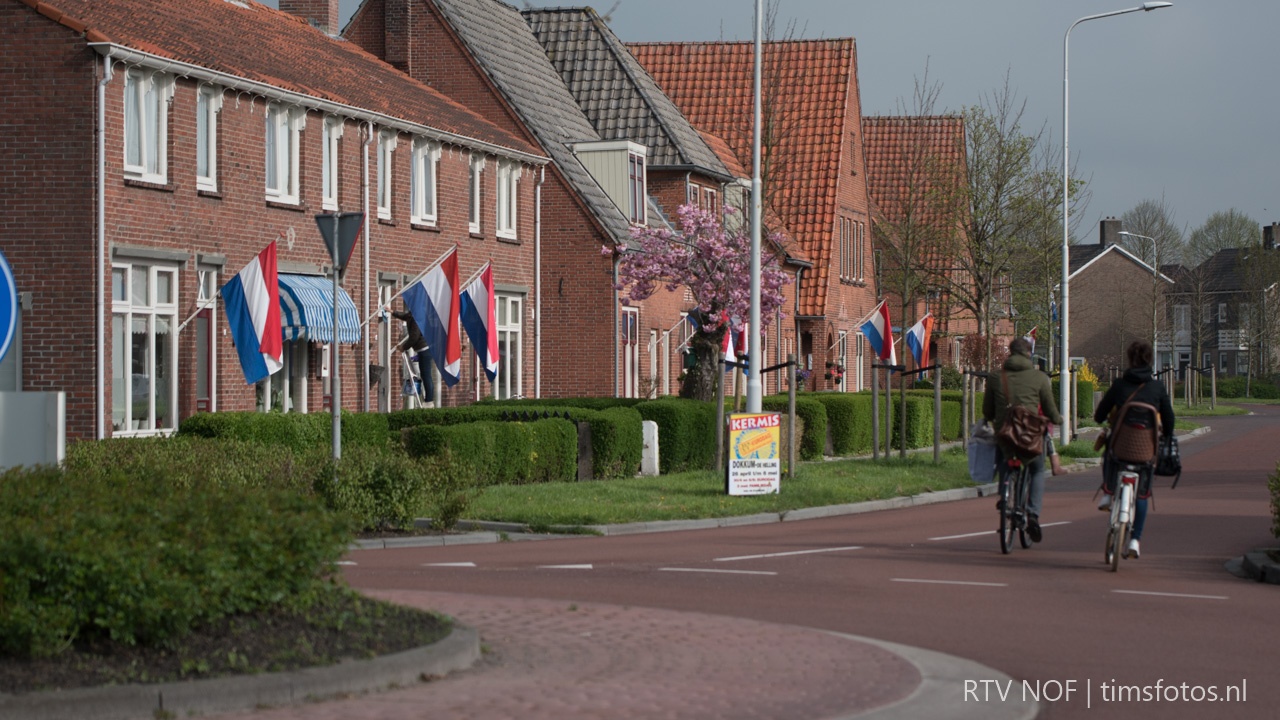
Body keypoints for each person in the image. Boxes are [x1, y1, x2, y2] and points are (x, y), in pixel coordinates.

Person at [1092, 340, 1175, 560]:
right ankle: (1135, 540)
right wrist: (1166, 435)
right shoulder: (1157, 388)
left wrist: (1103, 418)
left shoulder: (1120, 385)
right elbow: (1169, 419)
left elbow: (1100, 415)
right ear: (1150, 360)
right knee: (1143, 494)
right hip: (1145, 451)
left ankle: (1108, 492)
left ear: (1130, 359)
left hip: (1120, 448)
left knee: (1109, 452)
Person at [983, 337, 1064, 543]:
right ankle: (1033, 513)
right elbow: (1049, 409)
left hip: (1005, 435)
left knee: (1004, 457)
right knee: (1037, 469)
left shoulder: (995, 377)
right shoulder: (1039, 378)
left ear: (1010, 353)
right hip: (1030, 436)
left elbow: (987, 411)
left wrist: (995, 419)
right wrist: (1059, 419)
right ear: (1029, 354)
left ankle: (1004, 495)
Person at [389, 301, 433, 404]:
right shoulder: (412, 315)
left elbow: (414, 337)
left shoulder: (417, 318)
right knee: (424, 375)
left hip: (424, 350)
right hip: (422, 350)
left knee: (426, 375)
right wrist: (393, 312)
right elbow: (405, 316)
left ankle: (429, 401)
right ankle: (428, 399)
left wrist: (403, 347)